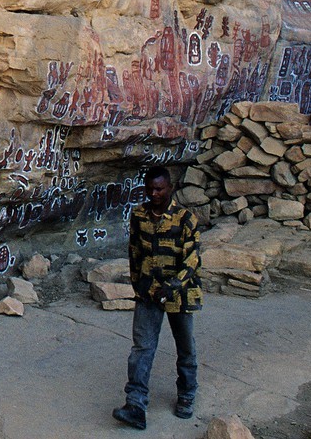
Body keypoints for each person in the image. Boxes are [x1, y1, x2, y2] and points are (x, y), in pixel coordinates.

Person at [113, 165, 201, 430]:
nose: (154, 194)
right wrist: (138, 286)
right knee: (142, 348)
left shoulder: (186, 219)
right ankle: (135, 404)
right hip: (149, 292)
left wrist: (173, 286)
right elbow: (134, 252)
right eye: (150, 189)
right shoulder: (138, 215)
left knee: (185, 346)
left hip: (180, 293)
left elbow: (193, 259)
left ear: (170, 188)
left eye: (159, 189)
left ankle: (187, 394)